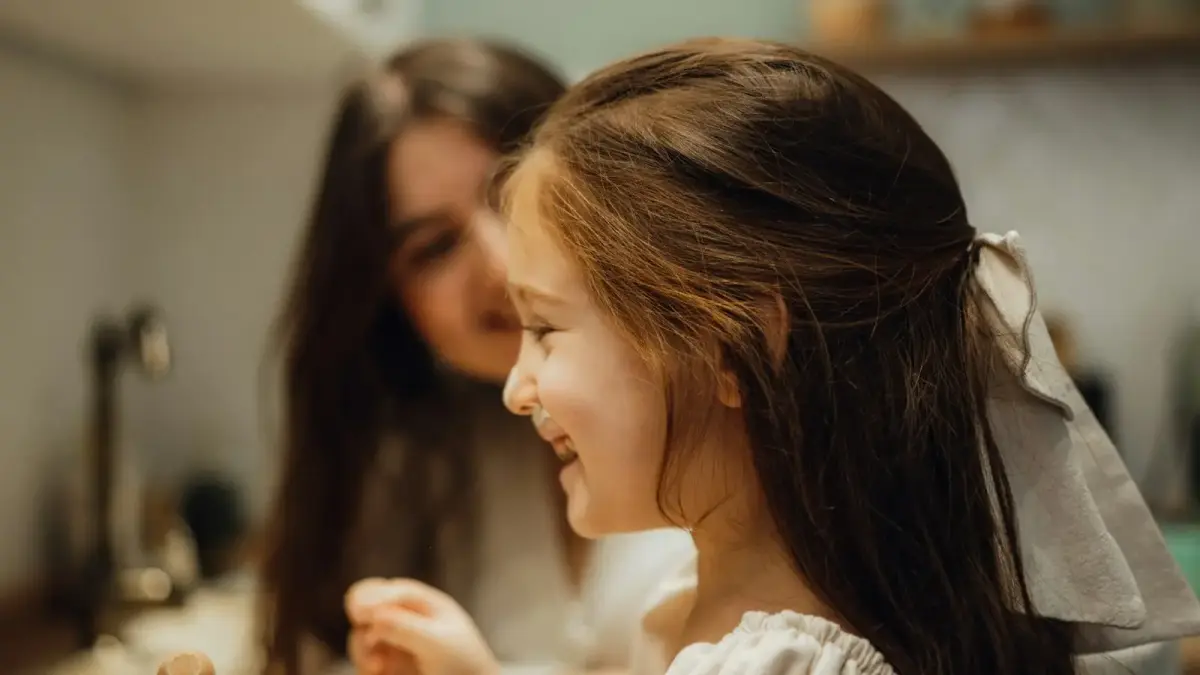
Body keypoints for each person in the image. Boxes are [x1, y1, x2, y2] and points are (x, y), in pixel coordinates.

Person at [347, 38, 1200, 675]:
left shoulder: (777, 661)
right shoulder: (713, 613)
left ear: (737, 345)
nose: (517, 385)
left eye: (548, 329)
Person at [258, 38, 692, 675]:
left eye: (514, 193)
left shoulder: (731, 420)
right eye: (434, 248)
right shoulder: (420, 463)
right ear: (388, 304)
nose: (500, 263)